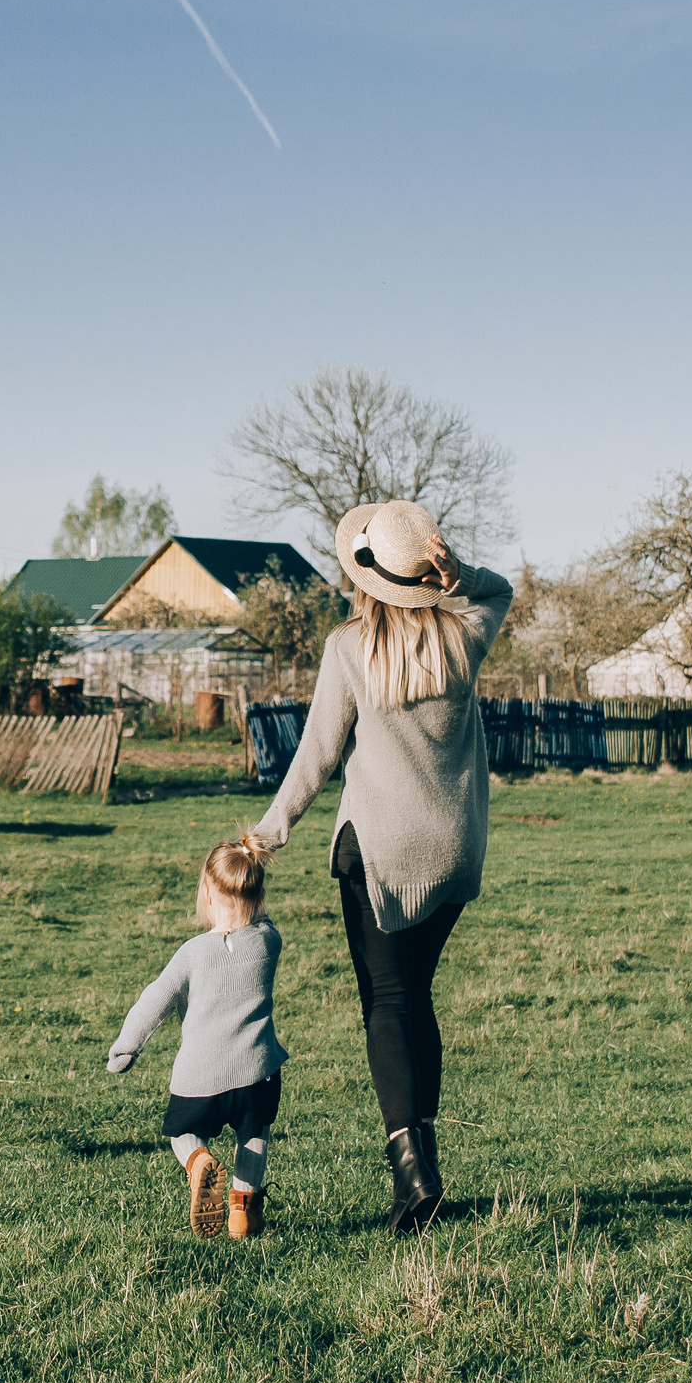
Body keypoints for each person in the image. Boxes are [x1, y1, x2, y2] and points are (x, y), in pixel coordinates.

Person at [241, 498, 514, 1233]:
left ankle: (414, 1174)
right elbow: (499, 590)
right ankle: (420, 1166)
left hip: (382, 853)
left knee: (388, 1000)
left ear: (367, 576)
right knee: (415, 994)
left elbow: (319, 752)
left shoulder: (349, 648)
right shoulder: (466, 635)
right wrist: (458, 576)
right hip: (455, 849)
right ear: (426, 574)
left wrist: (272, 829)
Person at [106, 840, 286, 1239]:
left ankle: (199, 1162)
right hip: (257, 1072)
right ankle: (243, 1214)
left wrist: (126, 1048)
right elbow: (261, 920)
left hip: (199, 1076)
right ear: (257, 893)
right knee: (254, 1134)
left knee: (183, 1134)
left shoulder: (192, 952)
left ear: (206, 889)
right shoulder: (268, 942)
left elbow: (155, 1000)